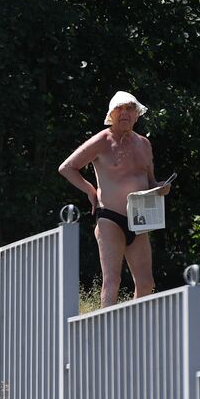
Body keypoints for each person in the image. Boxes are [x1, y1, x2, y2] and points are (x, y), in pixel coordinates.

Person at [58, 91, 171, 308]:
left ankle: (135, 327)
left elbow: (150, 181)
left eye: (129, 109)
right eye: (119, 109)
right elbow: (67, 168)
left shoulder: (144, 144)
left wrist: (160, 187)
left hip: (138, 220)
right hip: (110, 218)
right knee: (112, 281)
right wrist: (90, 191)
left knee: (146, 284)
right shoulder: (103, 140)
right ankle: (103, 329)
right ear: (111, 114)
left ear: (137, 115)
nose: (124, 113)